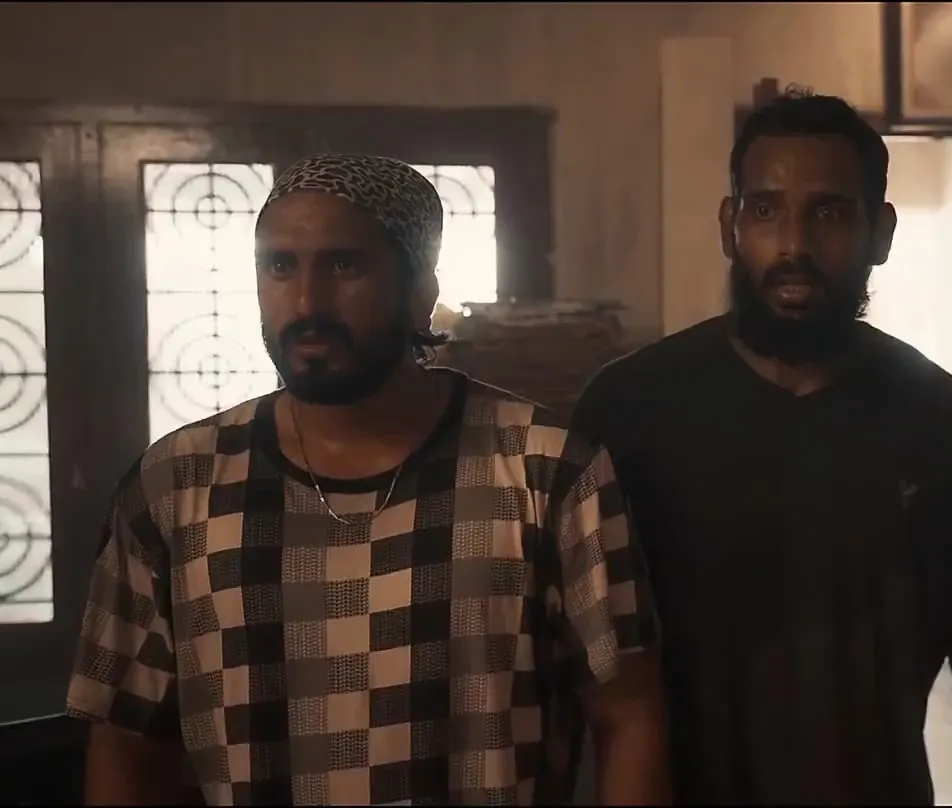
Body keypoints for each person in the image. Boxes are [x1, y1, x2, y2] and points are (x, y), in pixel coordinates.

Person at [64, 154, 671, 806]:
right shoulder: (176, 486)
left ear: (420, 291)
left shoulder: (546, 470)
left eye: (344, 266)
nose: (307, 303)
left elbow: (630, 715)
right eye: (280, 266)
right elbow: (127, 743)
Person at [571, 89, 952, 805]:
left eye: (828, 212)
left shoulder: (948, 426)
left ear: (880, 233)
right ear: (730, 226)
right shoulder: (626, 412)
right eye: (766, 210)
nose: (793, 245)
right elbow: (576, 679)